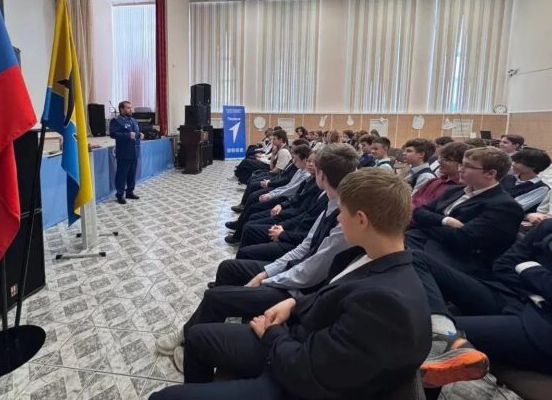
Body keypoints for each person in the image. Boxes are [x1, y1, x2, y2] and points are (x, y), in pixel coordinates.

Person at [149, 169, 432, 399]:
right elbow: (330, 295)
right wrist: (294, 303)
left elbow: (307, 371)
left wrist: (271, 333)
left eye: (342, 212)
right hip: (297, 340)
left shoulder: (386, 303)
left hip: (293, 378)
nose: (338, 218)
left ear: (361, 220)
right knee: (198, 337)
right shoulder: (371, 257)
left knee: (162, 398)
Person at [413, 219, 552, 377]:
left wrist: (530, 270)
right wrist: (534, 280)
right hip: (511, 294)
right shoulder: (547, 227)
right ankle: (440, 325)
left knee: (422, 329)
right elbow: (503, 265)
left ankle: (438, 336)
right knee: (416, 258)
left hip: (542, 325)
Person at [407, 147, 524, 279]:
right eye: (461, 164)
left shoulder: (504, 206)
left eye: (467, 166)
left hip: (455, 260)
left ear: (490, 173)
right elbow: (419, 212)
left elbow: (462, 239)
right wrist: (445, 221)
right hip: (423, 241)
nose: (460, 169)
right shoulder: (454, 190)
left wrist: (428, 223)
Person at [412, 142, 469, 210]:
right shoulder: (433, 181)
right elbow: (412, 200)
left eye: (446, 160)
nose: (439, 162)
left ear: (461, 164)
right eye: (440, 158)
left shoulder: (461, 190)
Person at [109, 101, 142, 204]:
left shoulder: (133, 120)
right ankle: (119, 195)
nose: (130, 109)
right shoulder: (116, 120)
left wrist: (139, 135)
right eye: (128, 108)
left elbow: (135, 133)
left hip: (134, 152)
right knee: (122, 175)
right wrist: (128, 135)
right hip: (124, 153)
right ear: (122, 109)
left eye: (130, 107)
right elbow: (113, 134)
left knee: (132, 174)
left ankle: (130, 192)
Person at [502, 148, 551, 213]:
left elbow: (515, 207)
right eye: (514, 161)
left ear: (533, 166)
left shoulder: (541, 188)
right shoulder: (507, 178)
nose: (513, 164)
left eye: (518, 162)